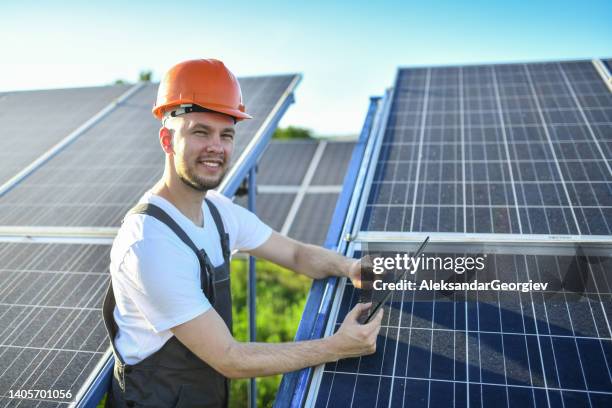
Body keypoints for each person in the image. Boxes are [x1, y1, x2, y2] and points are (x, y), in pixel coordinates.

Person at [102, 58, 383, 408]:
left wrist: (349, 268)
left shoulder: (218, 211)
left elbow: (296, 254)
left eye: (226, 134)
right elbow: (229, 358)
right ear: (167, 139)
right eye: (200, 132)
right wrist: (336, 347)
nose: (216, 147)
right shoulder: (150, 244)